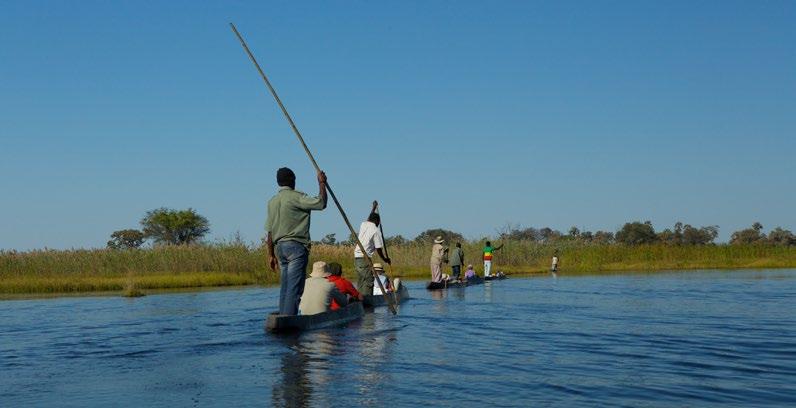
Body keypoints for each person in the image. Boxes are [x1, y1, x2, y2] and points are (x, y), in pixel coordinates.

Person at [266, 167, 328, 315]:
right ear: (293, 181)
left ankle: (283, 317)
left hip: (279, 248)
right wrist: (322, 183)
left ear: (278, 182)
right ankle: (288, 322)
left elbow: (269, 233)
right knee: (294, 289)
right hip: (295, 248)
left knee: (286, 288)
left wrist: (271, 255)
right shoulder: (296, 197)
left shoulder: (272, 202)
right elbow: (321, 203)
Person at [353, 211, 391, 294]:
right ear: (377, 221)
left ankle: (360, 298)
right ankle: (368, 300)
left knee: (362, 280)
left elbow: (369, 218)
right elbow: (378, 249)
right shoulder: (376, 231)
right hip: (364, 258)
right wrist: (385, 259)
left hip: (357, 257)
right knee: (370, 280)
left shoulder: (364, 224)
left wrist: (373, 207)